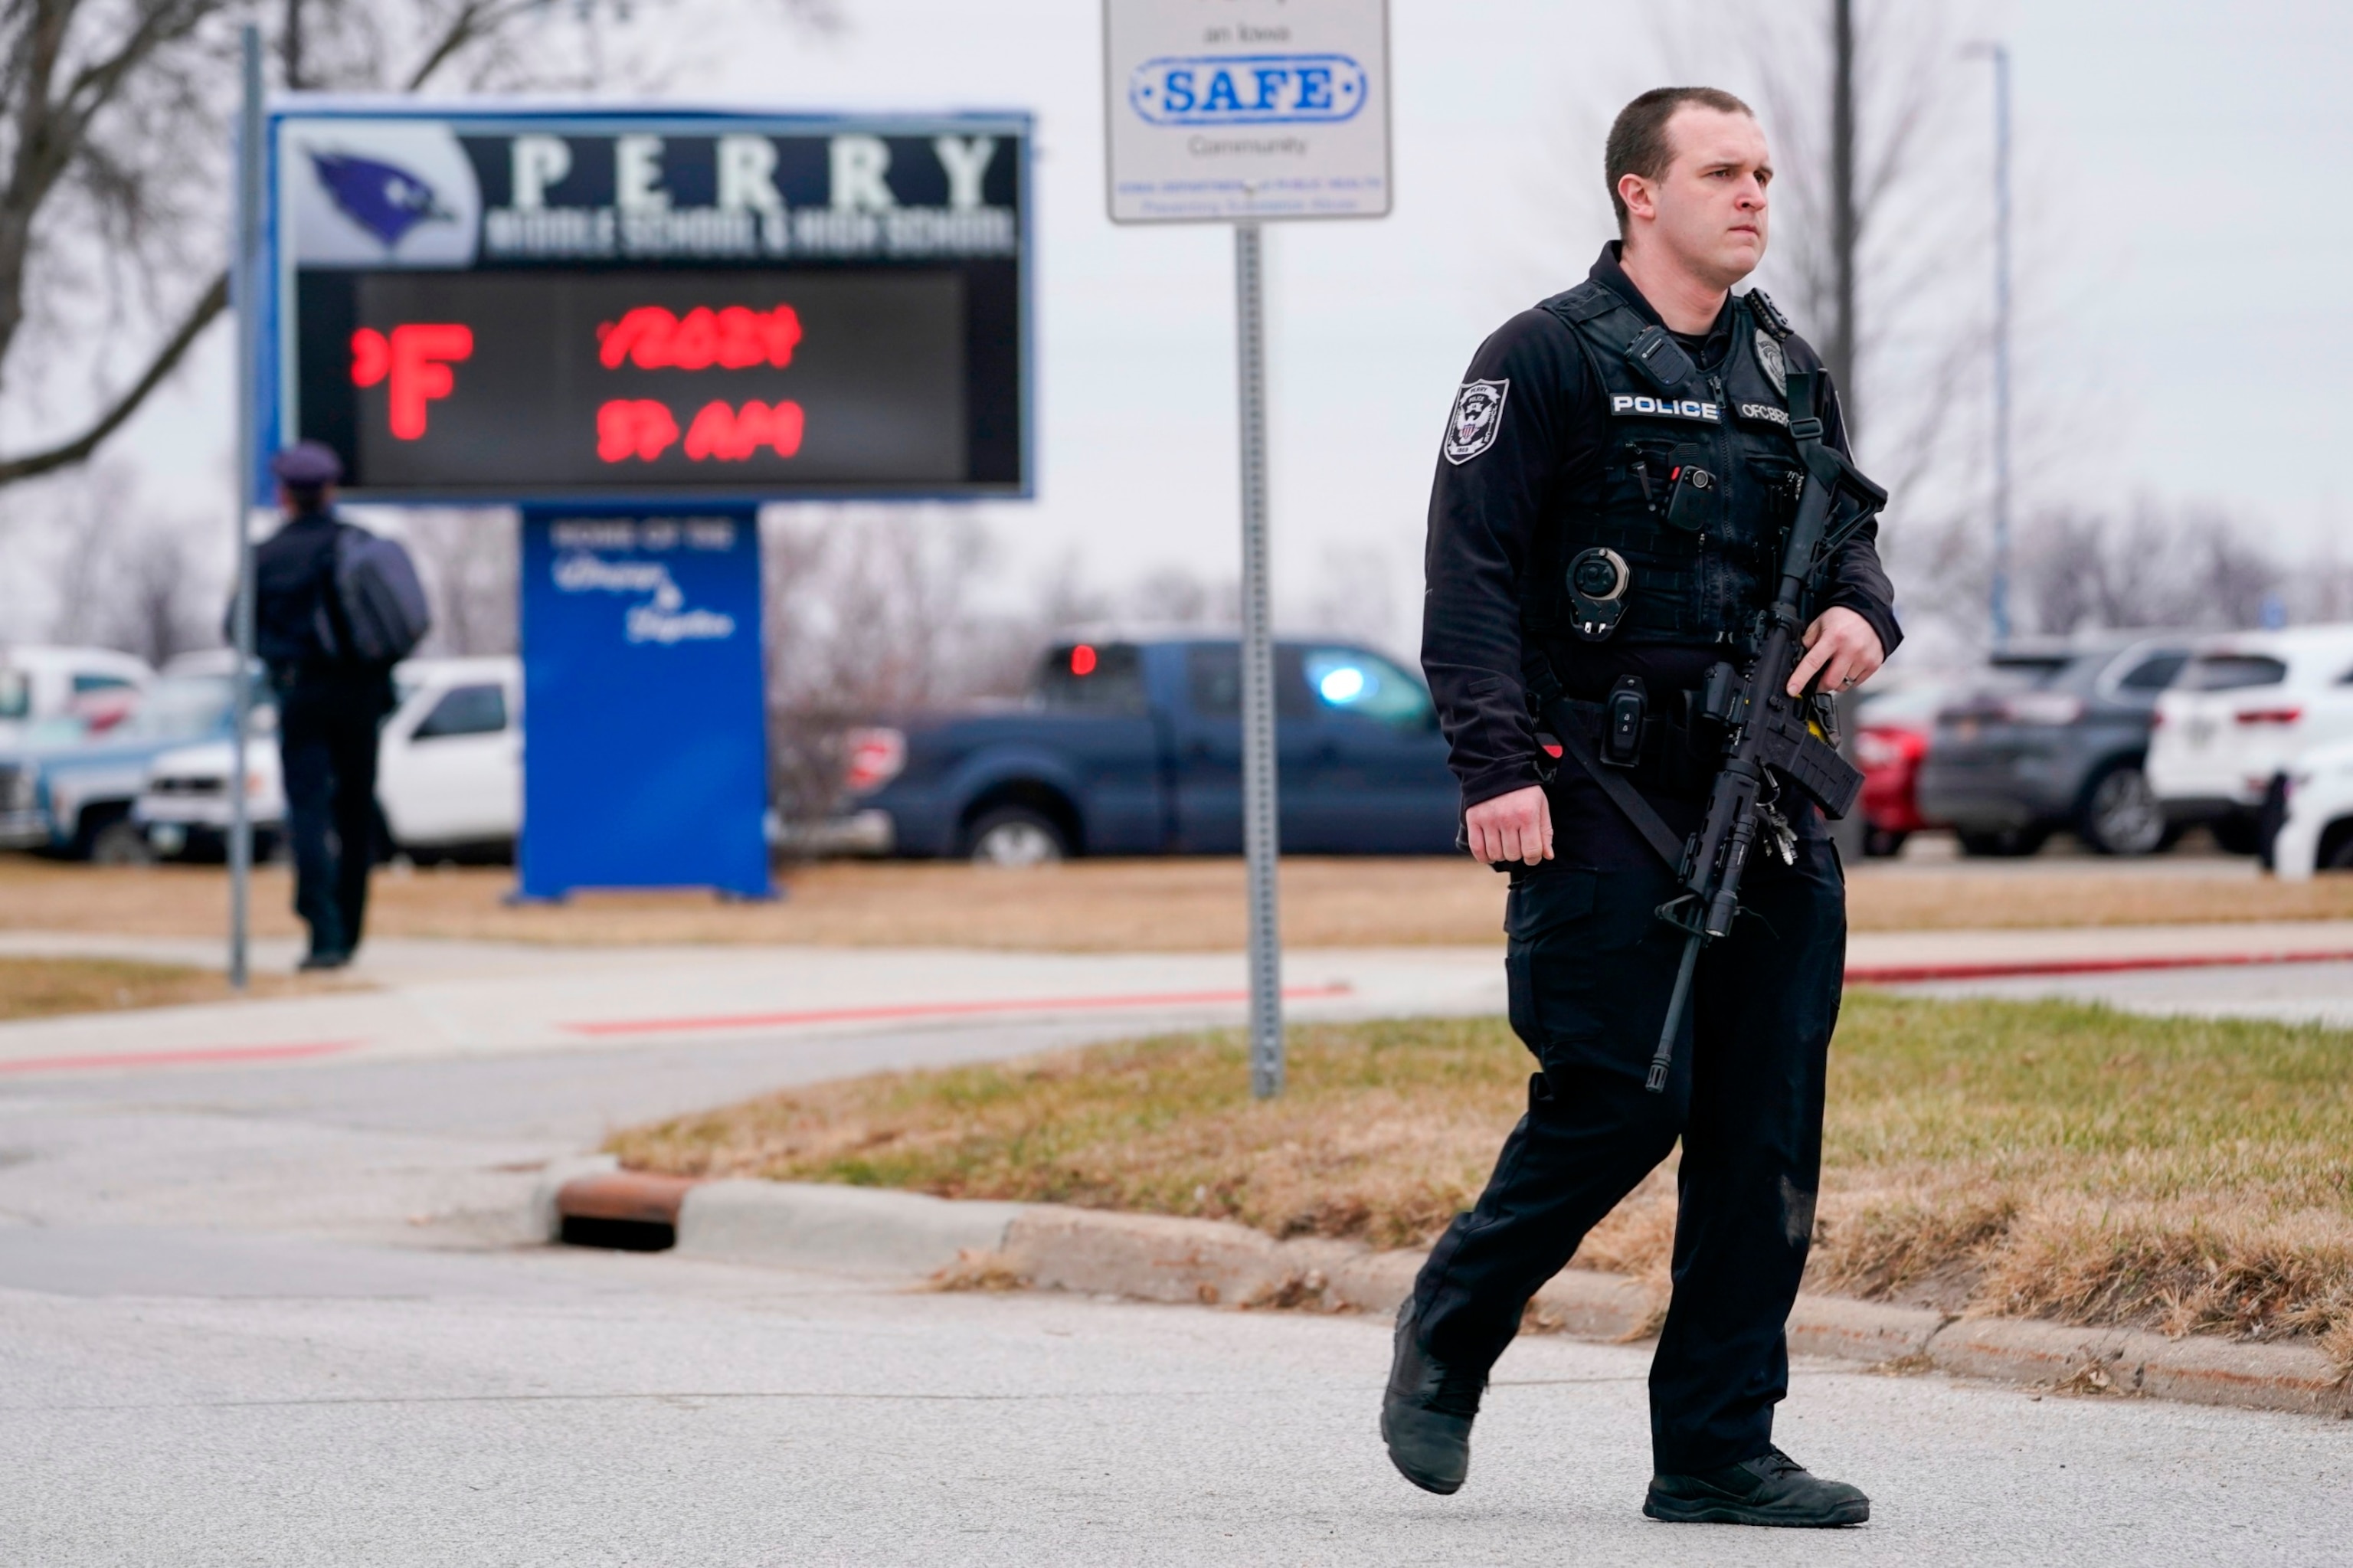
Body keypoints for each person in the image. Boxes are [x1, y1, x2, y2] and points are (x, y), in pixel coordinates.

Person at [1387, 87, 1901, 1527]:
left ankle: (1716, 1450)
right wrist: (1490, 768)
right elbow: (1468, 577)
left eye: (1762, 173)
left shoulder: (1788, 369)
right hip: (1592, 787)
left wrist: (1867, 615)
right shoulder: (1542, 358)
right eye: (1721, 171)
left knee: (1761, 1130)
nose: (1752, 194)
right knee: (1618, 1097)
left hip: (1766, 792)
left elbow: (1848, 532)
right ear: (1637, 192)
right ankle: (1454, 1314)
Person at [243, 441, 397, 971]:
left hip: (301, 695)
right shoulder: (359, 545)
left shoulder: (264, 557)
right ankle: (351, 929)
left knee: (308, 812)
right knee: (355, 811)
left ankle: (323, 932)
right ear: (329, 491)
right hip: (361, 695)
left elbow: (237, 630)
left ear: (285, 495)